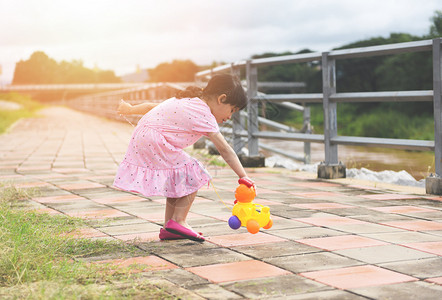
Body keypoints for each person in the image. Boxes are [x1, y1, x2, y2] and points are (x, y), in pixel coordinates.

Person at [114, 74, 255, 242]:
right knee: (194, 172)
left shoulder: (189, 99)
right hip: (154, 140)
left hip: (144, 137)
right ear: (221, 99)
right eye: (232, 110)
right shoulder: (204, 114)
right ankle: (179, 220)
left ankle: (170, 227)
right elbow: (225, 149)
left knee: (177, 177)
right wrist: (242, 175)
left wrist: (130, 109)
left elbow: (152, 107)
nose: (230, 117)